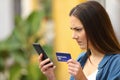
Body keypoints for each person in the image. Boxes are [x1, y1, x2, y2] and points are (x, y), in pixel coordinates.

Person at [38, 1, 120, 80]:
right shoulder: (81, 58)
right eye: (72, 30)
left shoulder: (116, 63)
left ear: (96, 28)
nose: (73, 36)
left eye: (78, 29)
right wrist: (51, 76)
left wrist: (81, 78)